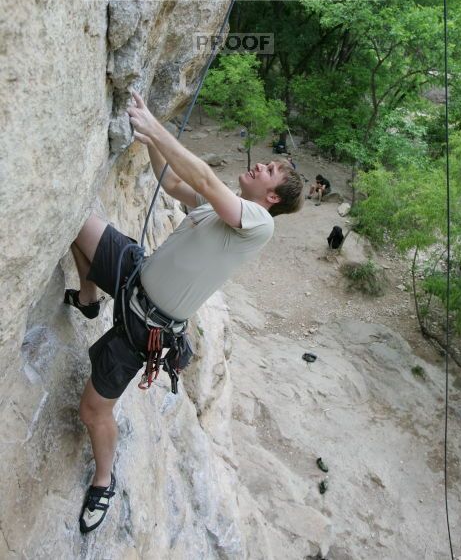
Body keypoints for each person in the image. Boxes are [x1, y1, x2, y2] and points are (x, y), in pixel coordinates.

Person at [65, 92, 304, 533]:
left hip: (146, 330)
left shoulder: (258, 224)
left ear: (272, 196)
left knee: (92, 411)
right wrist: (153, 139)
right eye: (267, 162)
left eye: (268, 170)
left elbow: (209, 183)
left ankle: (104, 480)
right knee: (75, 221)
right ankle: (87, 298)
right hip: (135, 275)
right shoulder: (224, 207)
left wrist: (155, 126)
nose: (260, 165)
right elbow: (174, 183)